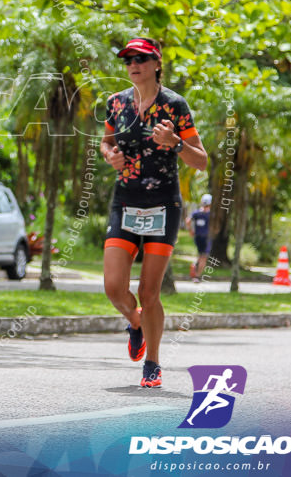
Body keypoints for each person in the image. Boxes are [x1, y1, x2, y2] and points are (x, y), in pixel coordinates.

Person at [100, 37, 207, 388]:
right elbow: (107, 141)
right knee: (114, 287)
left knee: (149, 291)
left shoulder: (174, 105)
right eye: (128, 59)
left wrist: (175, 143)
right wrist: (108, 154)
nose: (134, 64)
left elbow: (202, 161)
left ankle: (153, 362)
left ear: (156, 63)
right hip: (125, 202)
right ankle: (135, 321)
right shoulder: (115, 103)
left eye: (141, 58)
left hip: (164, 205)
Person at [186, 194, 212, 282]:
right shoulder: (210, 214)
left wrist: (190, 230)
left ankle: (194, 266)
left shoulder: (196, 213)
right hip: (206, 237)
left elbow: (188, 220)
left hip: (197, 237)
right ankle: (197, 276)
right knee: (204, 257)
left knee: (200, 255)